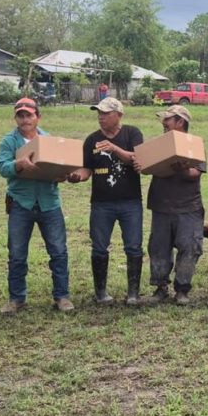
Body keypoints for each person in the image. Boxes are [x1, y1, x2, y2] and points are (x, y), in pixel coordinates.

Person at [0, 97, 73, 314]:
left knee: (58, 252)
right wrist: (18, 164)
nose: (25, 119)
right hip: (21, 203)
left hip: (49, 202)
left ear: (38, 117)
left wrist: (62, 174)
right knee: (17, 254)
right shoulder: (9, 141)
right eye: (20, 115)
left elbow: (61, 167)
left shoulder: (49, 140)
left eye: (29, 115)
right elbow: (2, 167)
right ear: (16, 118)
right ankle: (16, 299)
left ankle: (62, 296)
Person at [68, 97, 146, 305]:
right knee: (99, 247)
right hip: (101, 203)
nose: (100, 117)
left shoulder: (132, 133)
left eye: (105, 113)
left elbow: (139, 158)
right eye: (99, 113)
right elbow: (87, 169)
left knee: (133, 246)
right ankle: (101, 293)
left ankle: (133, 293)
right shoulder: (91, 140)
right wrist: (77, 177)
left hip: (130, 202)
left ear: (119, 115)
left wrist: (114, 148)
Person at [135, 105, 205, 305]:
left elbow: (195, 173)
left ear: (180, 122)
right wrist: (141, 165)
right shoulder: (159, 144)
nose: (163, 123)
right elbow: (145, 166)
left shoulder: (193, 144)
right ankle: (160, 288)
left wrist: (182, 169)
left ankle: (182, 289)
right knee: (159, 248)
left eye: (168, 119)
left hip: (189, 206)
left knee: (190, 247)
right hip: (161, 204)